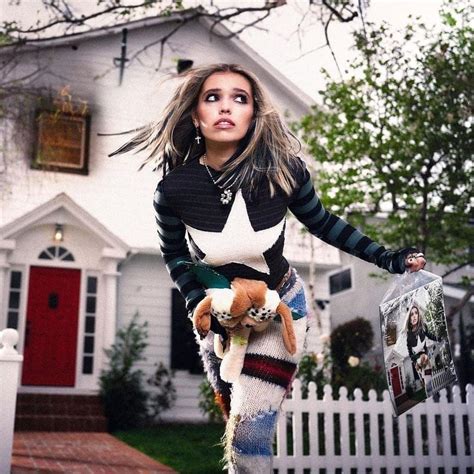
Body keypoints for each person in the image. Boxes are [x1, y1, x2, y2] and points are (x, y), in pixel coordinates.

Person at [112, 63, 426, 473]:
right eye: (213, 97)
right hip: (221, 317)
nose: (226, 106)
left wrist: (389, 257)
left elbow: (325, 224)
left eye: (239, 98)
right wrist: (197, 304)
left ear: (253, 114)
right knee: (234, 418)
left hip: (281, 309)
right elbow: (175, 255)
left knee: (250, 431)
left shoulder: (284, 172)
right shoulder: (173, 190)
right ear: (196, 116)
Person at [406, 303, 440, 396]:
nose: (414, 316)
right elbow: (410, 352)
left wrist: (438, 338)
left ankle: (431, 393)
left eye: (416, 313)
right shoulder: (409, 335)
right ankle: (429, 392)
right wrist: (415, 361)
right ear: (409, 318)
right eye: (411, 314)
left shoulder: (423, 327)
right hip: (418, 360)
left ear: (418, 315)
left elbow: (430, 335)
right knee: (425, 380)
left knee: (428, 381)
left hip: (425, 357)